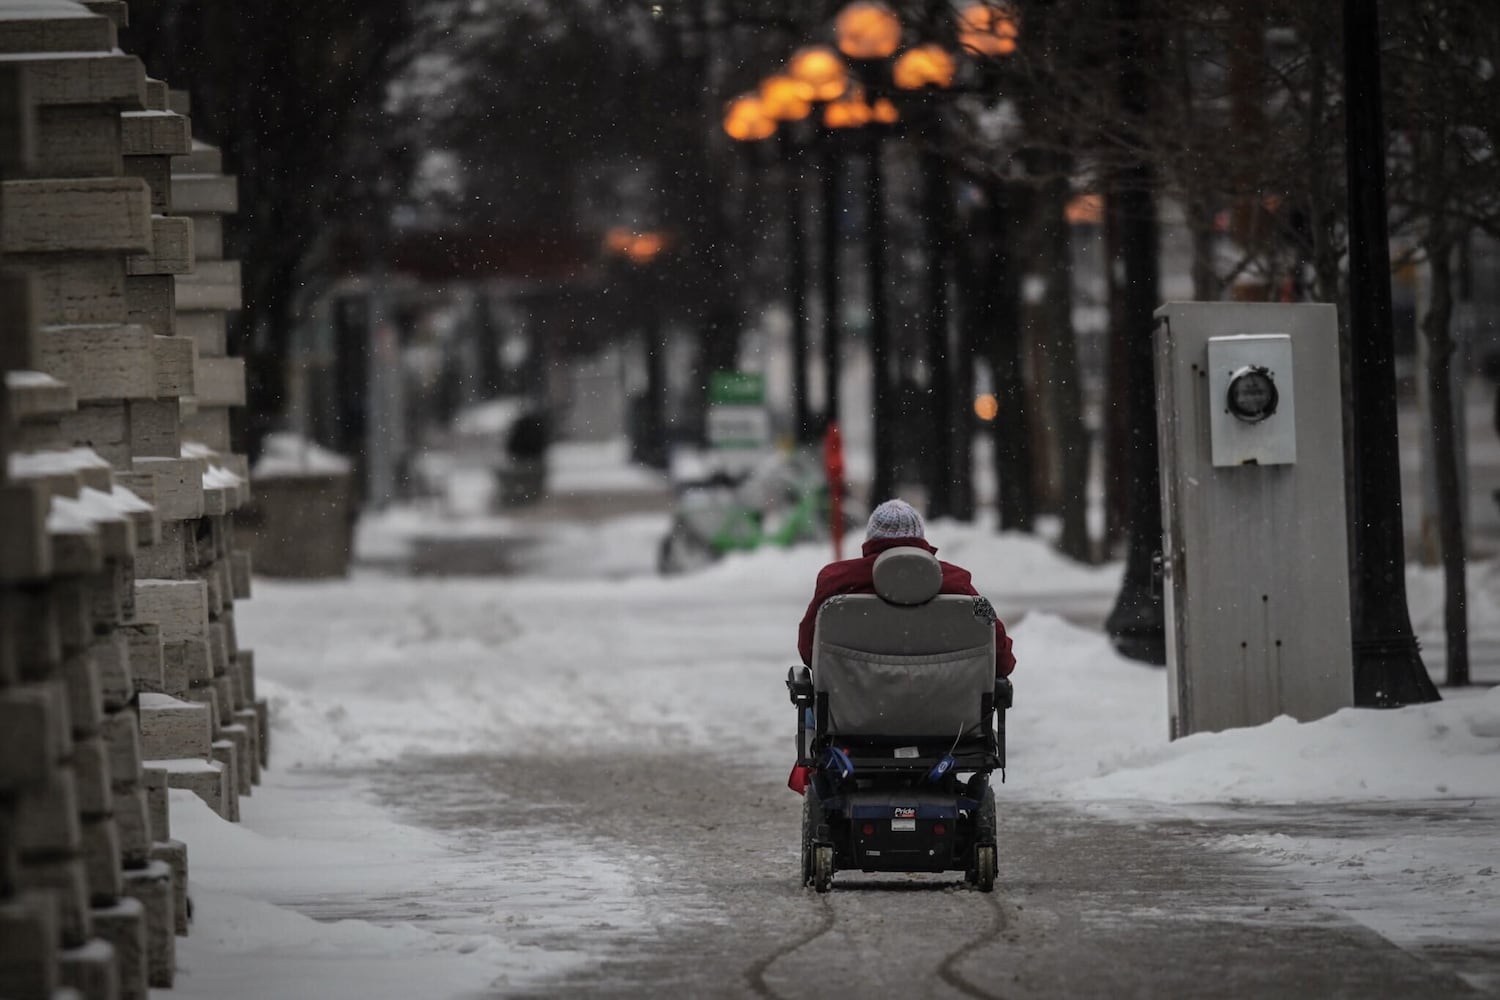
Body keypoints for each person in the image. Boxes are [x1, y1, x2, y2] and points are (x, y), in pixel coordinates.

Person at [796, 499, 1016, 676]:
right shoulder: (959, 584)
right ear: (920, 539)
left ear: (870, 540)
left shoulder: (835, 581)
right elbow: (1001, 658)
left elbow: (809, 651)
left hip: (852, 719)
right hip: (946, 721)